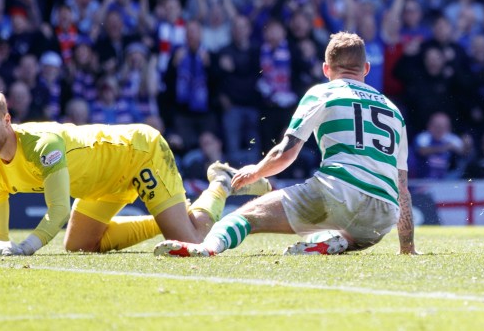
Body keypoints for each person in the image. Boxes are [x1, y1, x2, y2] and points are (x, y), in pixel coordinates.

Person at [154, 31, 416, 257]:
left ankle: (207, 248)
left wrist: (255, 172)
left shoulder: (322, 92)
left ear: (326, 69)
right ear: (366, 69)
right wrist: (407, 247)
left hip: (339, 192)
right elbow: (402, 187)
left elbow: (285, 153)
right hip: (381, 217)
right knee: (345, 232)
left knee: (244, 217)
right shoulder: (393, 109)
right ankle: (332, 242)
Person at [0, 91, 270, 257]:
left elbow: (57, 210)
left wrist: (25, 247)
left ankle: (221, 183)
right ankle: (169, 218)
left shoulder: (44, 145)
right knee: (79, 246)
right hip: (102, 182)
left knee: (191, 241)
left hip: (137, 154)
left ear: (6, 120)